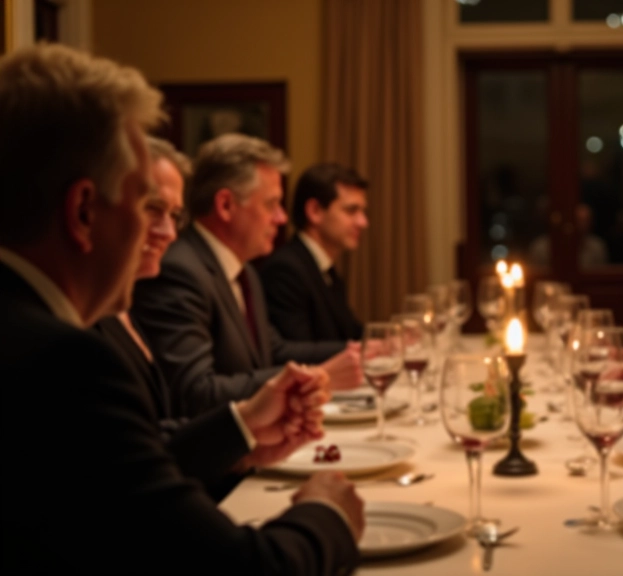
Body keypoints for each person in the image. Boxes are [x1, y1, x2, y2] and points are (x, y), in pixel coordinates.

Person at [0, 43, 363, 575]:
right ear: (82, 211)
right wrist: (327, 511)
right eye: (144, 205)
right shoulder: (61, 363)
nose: (164, 235)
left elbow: (127, 473)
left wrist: (241, 430)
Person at [94, 137, 324, 500]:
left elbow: (156, 438)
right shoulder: (174, 272)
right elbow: (189, 397)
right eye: (152, 208)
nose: (168, 233)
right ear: (85, 210)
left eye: (173, 215)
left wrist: (243, 443)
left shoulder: (245, 272)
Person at [132, 133, 362, 417]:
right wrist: (317, 374)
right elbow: (195, 392)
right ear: (226, 205)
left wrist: (357, 352)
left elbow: (274, 351)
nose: (282, 218)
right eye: (271, 204)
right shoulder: (179, 271)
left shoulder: (246, 272)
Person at [259, 162, 367, 343]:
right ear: (314, 211)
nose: (363, 222)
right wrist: (368, 349)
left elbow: (351, 330)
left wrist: (390, 338)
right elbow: (296, 352)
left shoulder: (326, 269)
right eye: (351, 210)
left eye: (362, 211)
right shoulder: (285, 270)